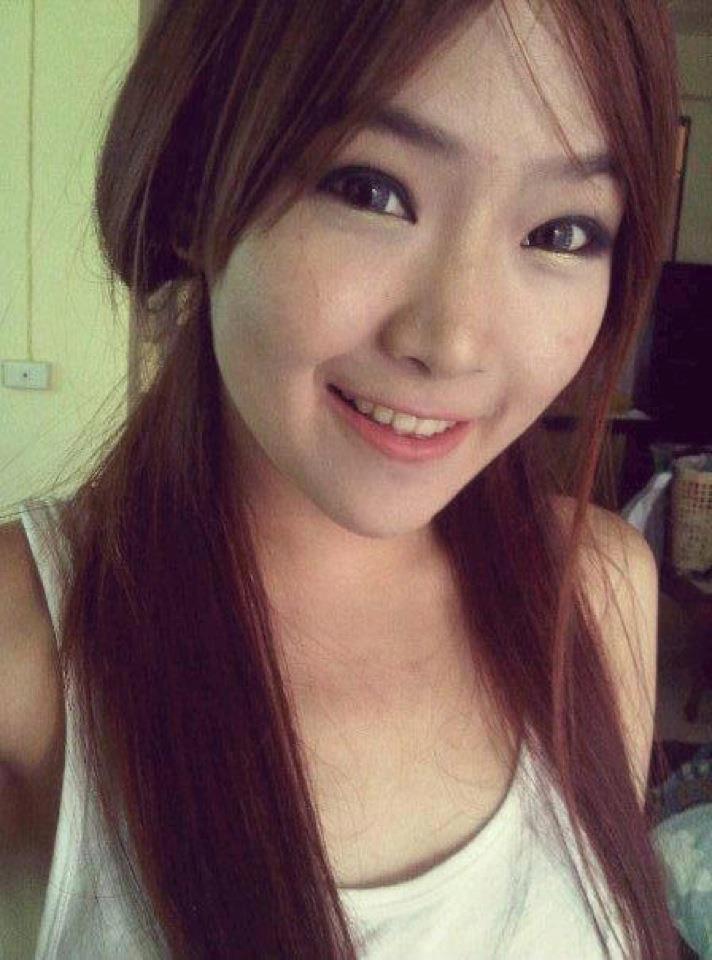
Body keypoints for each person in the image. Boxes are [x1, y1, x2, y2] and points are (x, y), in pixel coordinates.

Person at [0, 0, 682, 957]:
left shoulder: (600, 593)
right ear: (194, 193)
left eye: (561, 233)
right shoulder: (27, 646)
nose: (453, 343)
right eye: (370, 190)